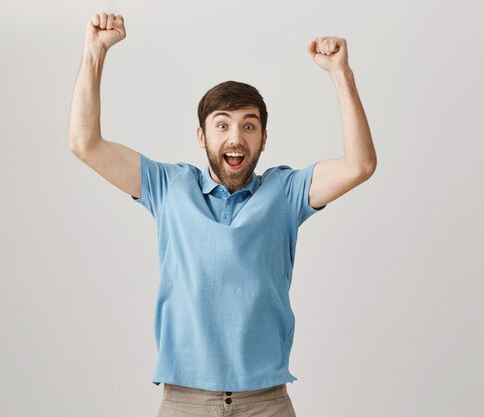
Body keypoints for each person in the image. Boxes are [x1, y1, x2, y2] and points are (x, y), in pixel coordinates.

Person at [68, 12, 376, 417]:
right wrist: (95, 51)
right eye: (222, 125)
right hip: (185, 401)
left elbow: (360, 165)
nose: (236, 137)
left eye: (249, 126)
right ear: (202, 136)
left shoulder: (285, 192)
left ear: (264, 139)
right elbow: (84, 143)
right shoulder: (169, 187)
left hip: (266, 401)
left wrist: (341, 73)